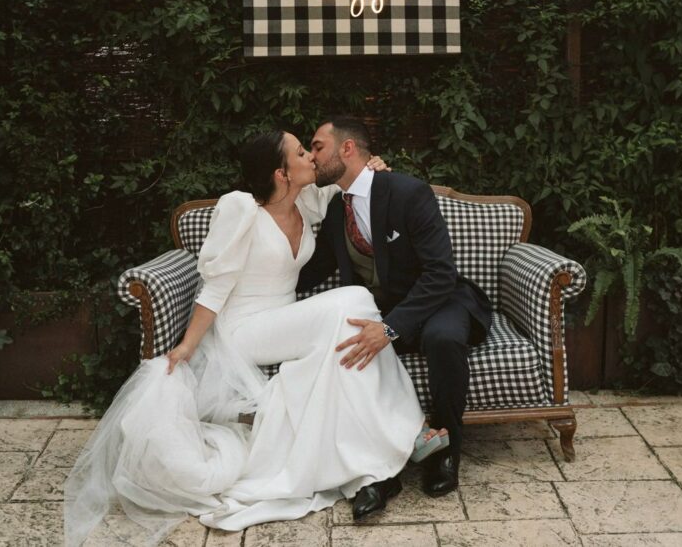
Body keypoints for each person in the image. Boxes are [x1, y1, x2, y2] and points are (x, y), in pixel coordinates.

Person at [64, 130, 433, 546]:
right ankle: (412, 431)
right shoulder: (239, 209)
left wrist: (373, 166)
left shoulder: (309, 200)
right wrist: (188, 345)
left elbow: (352, 186)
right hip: (245, 329)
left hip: (282, 318)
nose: (311, 157)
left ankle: (370, 467)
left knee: (345, 341)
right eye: (301, 152)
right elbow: (216, 288)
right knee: (355, 301)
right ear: (281, 172)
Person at [298, 116, 493, 502]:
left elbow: (440, 272)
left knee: (443, 339)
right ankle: (376, 466)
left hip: (438, 300)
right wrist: (262, 283)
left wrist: (389, 329)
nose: (313, 155)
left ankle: (447, 449)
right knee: (345, 350)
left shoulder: (408, 192)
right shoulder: (338, 208)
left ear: (347, 149)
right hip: (384, 308)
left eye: (318, 146)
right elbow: (314, 269)